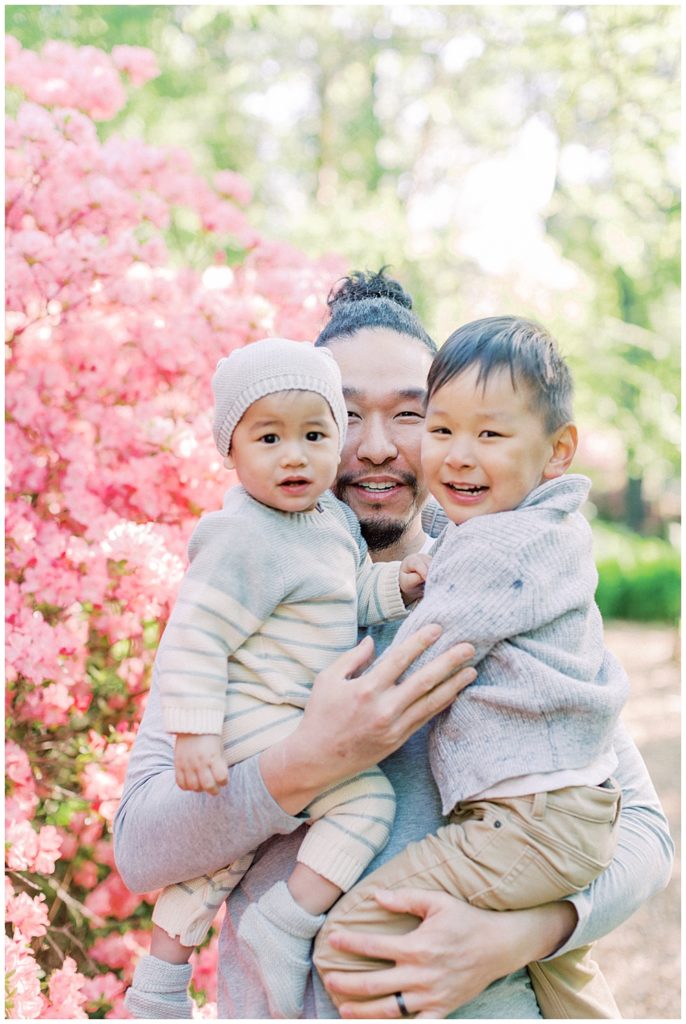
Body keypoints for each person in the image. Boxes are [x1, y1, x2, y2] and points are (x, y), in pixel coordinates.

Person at [114, 270, 673, 1019]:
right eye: (342, 416)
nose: (375, 446)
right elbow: (142, 847)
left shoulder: (514, 584)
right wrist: (307, 762)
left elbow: (641, 833)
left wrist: (517, 937)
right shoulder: (239, 605)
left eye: (412, 415)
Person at [314, 314, 627, 1018]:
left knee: (349, 945)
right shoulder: (533, 534)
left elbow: (415, 666)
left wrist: (312, 723)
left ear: (557, 451)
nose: (456, 455)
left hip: (527, 819)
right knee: (572, 990)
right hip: (560, 815)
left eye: (489, 434)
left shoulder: (498, 551)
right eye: (444, 430)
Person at [124, 338, 432, 1019]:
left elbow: (342, 593)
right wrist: (197, 732)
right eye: (269, 437)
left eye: (315, 433)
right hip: (255, 715)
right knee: (365, 804)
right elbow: (195, 637)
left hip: (284, 715)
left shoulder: (326, 523)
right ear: (230, 451)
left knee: (219, 866)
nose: (296, 455)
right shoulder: (241, 535)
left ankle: (158, 989)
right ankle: (285, 922)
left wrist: (399, 588)